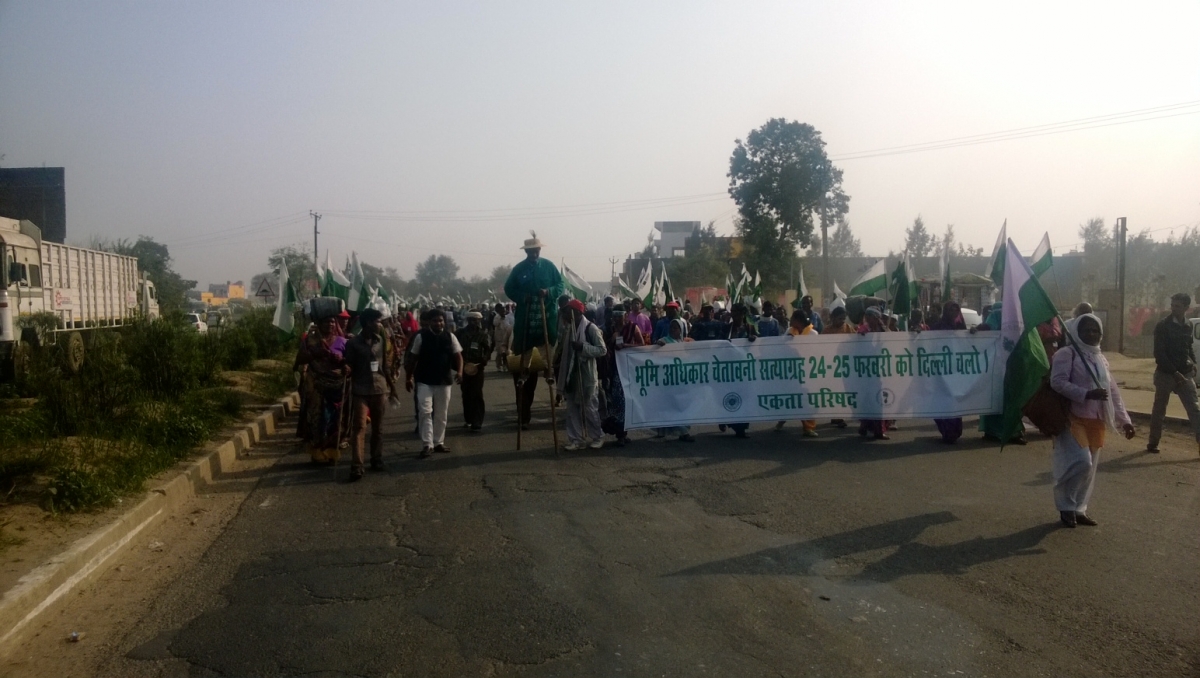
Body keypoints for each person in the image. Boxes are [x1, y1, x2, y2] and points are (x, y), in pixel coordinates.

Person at [1050, 314, 1135, 527]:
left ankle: (1079, 508)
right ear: (1076, 332)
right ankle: (1066, 505)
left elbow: (1112, 391)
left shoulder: (1100, 358)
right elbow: (1057, 382)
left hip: (1096, 419)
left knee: (1090, 469)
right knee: (1081, 462)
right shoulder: (1066, 354)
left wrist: (1125, 420)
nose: (1091, 334)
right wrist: (1086, 394)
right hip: (1072, 417)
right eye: (1086, 330)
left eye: (1095, 330)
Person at [503, 235, 566, 429]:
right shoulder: (519, 269)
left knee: (552, 361)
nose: (534, 253)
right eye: (530, 251)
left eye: (536, 250)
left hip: (547, 324)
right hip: (526, 326)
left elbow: (561, 285)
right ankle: (523, 415)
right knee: (524, 376)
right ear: (526, 251)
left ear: (540, 250)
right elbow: (509, 288)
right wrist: (523, 297)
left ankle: (550, 374)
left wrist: (548, 292)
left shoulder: (549, 266)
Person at [344, 308, 399, 480]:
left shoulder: (380, 340)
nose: (380, 324)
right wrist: (346, 368)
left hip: (379, 389)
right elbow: (348, 364)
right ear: (368, 323)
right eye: (377, 321)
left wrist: (392, 387)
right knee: (359, 427)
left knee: (378, 427)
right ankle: (357, 465)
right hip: (360, 389)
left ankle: (376, 458)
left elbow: (385, 366)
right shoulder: (353, 343)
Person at [405, 309, 464, 457]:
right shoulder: (421, 337)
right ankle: (427, 444)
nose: (438, 323)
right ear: (429, 322)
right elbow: (413, 358)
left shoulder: (450, 337)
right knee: (425, 411)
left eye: (440, 320)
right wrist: (408, 377)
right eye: (435, 321)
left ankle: (438, 442)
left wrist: (460, 372)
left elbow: (458, 356)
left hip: (444, 381)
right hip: (424, 381)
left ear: (444, 321)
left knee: (441, 413)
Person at [1147, 293, 1200, 454]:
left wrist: (1193, 363)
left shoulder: (1188, 325)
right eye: (1173, 305)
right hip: (1165, 374)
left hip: (1185, 373)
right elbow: (1159, 354)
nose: (1174, 309)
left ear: (1186, 308)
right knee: (1159, 410)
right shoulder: (1163, 326)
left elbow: (1188, 346)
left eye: (1178, 306)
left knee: (1194, 409)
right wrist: (1174, 372)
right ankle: (1153, 442)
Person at [554, 299, 607, 450]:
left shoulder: (591, 328)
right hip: (571, 374)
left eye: (568, 311)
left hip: (586, 374)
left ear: (576, 312)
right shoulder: (568, 328)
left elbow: (602, 350)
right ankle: (576, 439)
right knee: (572, 409)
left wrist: (583, 347)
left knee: (589, 408)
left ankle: (598, 436)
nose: (565, 314)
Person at [294, 315, 348, 464]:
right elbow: (299, 360)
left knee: (334, 421)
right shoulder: (310, 341)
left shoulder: (342, 341)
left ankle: (331, 452)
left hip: (336, 388)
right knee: (316, 419)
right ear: (318, 323)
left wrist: (342, 362)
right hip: (316, 387)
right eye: (326, 321)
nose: (330, 324)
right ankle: (317, 453)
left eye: (332, 321)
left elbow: (349, 363)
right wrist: (314, 354)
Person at [603, 309, 645, 446]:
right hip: (613, 369)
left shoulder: (633, 328)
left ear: (625, 316)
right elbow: (603, 347)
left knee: (624, 401)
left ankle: (622, 434)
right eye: (614, 316)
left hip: (628, 368)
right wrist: (612, 339)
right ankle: (619, 432)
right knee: (615, 400)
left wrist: (626, 346)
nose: (617, 319)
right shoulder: (609, 329)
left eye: (619, 316)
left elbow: (641, 344)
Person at [776, 309, 819, 437]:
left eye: (793, 319)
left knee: (806, 399)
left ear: (798, 320)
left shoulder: (813, 334)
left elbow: (816, 351)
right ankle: (781, 420)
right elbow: (780, 346)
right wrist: (787, 341)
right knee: (789, 397)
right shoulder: (789, 331)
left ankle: (808, 427)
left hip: (806, 371)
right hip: (791, 371)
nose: (791, 321)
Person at [929, 302, 967, 443]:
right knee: (942, 400)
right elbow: (927, 342)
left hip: (955, 370)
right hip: (940, 369)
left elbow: (967, 344)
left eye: (956, 310)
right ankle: (946, 431)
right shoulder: (937, 327)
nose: (954, 312)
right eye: (951, 309)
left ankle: (954, 430)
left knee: (954, 400)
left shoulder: (961, 327)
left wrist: (974, 334)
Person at [654, 318, 696, 442]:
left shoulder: (685, 342)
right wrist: (658, 344)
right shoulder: (665, 341)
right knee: (668, 405)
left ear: (681, 329)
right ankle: (666, 431)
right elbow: (656, 348)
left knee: (682, 405)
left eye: (676, 328)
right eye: (671, 327)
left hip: (682, 379)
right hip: (669, 380)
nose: (673, 330)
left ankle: (684, 431)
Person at [724, 303, 758, 438]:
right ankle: (726, 420)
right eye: (732, 312)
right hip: (729, 369)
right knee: (729, 395)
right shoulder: (727, 328)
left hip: (744, 370)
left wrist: (754, 339)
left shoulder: (749, 328)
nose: (734, 315)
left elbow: (759, 344)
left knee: (744, 396)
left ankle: (741, 428)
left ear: (743, 314)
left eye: (736, 312)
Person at [456, 311, 493, 432]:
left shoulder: (483, 335)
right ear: (468, 320)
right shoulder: (460, 333)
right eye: (472, 320)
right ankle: (469, 419)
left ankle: (477, 421)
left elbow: (488, 349)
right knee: (466, 394)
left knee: (477, 393)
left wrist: (485, 358)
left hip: (478, 368)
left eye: (476, 320)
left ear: (479, 321)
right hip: (464, 368)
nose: (474, 322)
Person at [493, 303, 513, 372]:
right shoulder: (497, 317)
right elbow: (495, 324)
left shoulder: (507, 317)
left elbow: (509, 325)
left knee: (505, 353)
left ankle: (505, 365)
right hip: (499, 338)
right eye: (502, 311)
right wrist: (501, 318)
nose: (503, 312)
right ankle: (498, 365)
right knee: (499, 353)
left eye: (504, 311)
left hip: (506, 338)